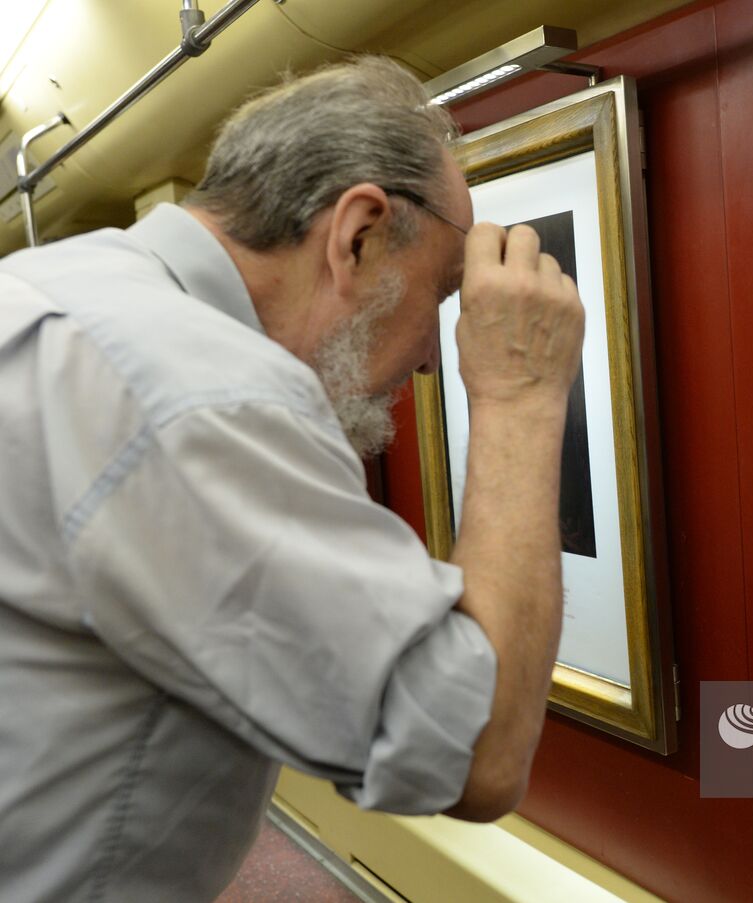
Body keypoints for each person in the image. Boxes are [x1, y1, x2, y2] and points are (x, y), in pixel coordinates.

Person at [0, 56, 584, 900]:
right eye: (443, 295)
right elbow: (475, 751)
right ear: (359, 236)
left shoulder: (57, 286)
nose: (430, 358)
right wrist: (522, 394)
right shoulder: (203, 393)